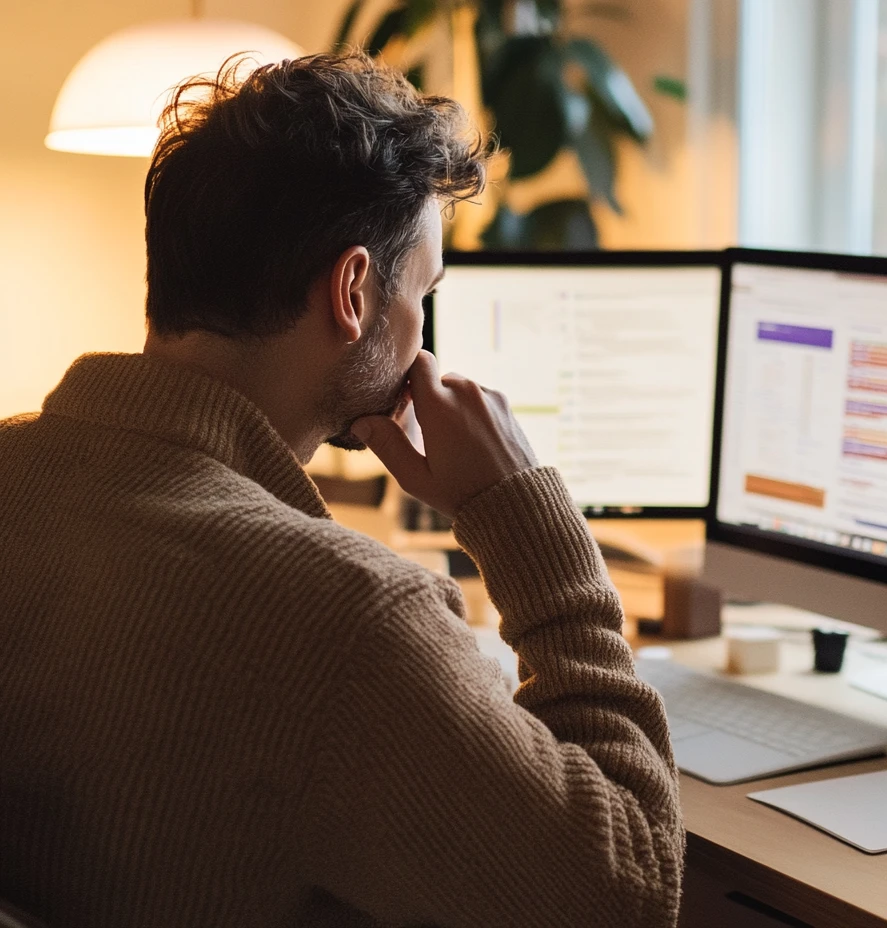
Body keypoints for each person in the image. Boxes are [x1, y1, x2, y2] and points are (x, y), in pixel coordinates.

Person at [0, 53, 683, 927]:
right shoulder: (354, 622)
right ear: (353, 291)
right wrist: (526, 528)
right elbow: (627, 896)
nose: (424, 331)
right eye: (424, 290)